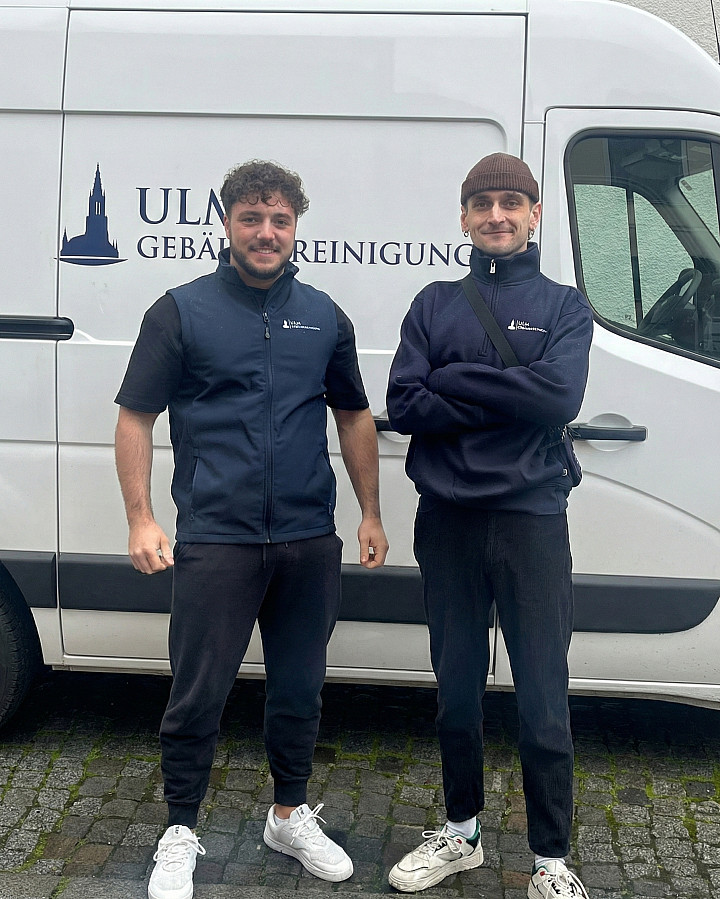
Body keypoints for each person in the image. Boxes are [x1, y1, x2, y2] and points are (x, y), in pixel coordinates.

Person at [114, 159, 388, 899]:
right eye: (252, 218)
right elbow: (136, 417)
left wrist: (369, 511)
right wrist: (141, 518)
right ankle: (179, 829)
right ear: (228, 222)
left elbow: (353, 415)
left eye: (280, 220)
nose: (266, 233)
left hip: (307, 538)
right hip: (217, 538)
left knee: (299, 688)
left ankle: (289, 815)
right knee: (198, 694)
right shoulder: (180, 311)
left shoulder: (324, 315)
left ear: (296, 227)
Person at [385, 153, 593, 899]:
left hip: (531, 520)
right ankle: (462, 831)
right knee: (457, 690)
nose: (496, 215)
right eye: (482, 203)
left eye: (511, 202)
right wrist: (510, 393)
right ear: (464, 217)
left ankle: (551, 859)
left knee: (542, 695)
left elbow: (558, 397)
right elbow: (405, 404)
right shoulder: (434, 303)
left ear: (534, 214)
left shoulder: (565, 306)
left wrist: (453, 379)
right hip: (448, 520)